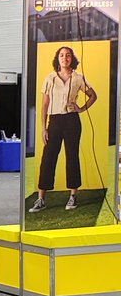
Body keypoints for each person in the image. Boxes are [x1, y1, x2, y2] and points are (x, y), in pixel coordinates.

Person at [31, 45, 97, 212]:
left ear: (71, 58)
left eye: (68, 55)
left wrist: (81, 108)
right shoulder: (49, 78)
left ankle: (73, 196)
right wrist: (43, 128)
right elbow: (44, 105)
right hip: (54, 121)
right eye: (61, 55)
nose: (65, 58)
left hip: (72, 121)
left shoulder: (78, 78)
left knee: (72, 157)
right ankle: (40, 199)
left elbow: (93, 95)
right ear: (57, 59)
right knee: (48, 159)